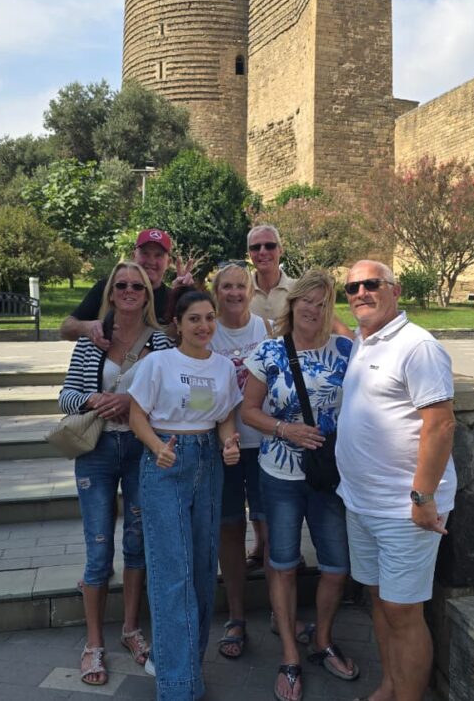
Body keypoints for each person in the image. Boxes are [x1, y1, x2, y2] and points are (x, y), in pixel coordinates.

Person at [335, 260, 456, 701]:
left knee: (404, 611)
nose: (361, 292)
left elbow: (440, 425)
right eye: (351, 287)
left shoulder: (416, 345)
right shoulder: (363, 342)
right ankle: (390, 686)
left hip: (403, 509)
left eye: (371, 284)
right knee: (380, 601)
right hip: (361, 503)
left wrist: (422, 496)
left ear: (395, 289)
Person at [242, 270, 359, 701]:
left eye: (321, 301)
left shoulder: (346, 351)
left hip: (329, 474)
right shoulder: (269, 352)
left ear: (330, 307)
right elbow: (248, 411)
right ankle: (290, 652)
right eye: (304, 300)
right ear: (291, 305)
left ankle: (322, 639)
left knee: (336, 566)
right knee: (283, 563)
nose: (312, 308)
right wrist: (284, 430)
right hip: (280, 475)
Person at [59, 261, 171, 687]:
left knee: (138, 542)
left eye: (136, 286)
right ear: (111, 293)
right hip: (99, 450)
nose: (128, 291)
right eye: (120, 285)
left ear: (147, 295)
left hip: (141, 449)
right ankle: (93, 643)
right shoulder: (94, 340)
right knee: (98, 545)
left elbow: (168, 399)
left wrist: (132, 404)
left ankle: (130, 629)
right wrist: (95, 400)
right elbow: (65, 397)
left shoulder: (160, 343)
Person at [128, 290, 242, 701]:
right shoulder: (158, 363)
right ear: (178, 323)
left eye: (210, 318)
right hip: (167, 462)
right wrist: (156, 447)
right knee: (172, 572)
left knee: (200, 568)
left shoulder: (223, 367)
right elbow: (136, 413)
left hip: (208, 463)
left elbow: (225, 414)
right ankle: (178, 687)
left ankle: (185, 665)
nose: (204, 326)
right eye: (194, 319)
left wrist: (229, 442)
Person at [209, 261, 271, 658]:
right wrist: (226, 432)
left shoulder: (264, 328)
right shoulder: (206, 328)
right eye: (226, 286)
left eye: (240, 286)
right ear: (216, 291)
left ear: (251, 291)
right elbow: (203, 392)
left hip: (263, 442)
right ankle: (236, 615)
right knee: (229, 529)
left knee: (271, 524)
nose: (234, 293)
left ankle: (279, 610)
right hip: (224, 444)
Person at [60, 228, 193, 349]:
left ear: (168, 262)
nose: (151, 261)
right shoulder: (108, 287)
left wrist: (185, 294)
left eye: (158, 255)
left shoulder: (172, 298)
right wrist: (87, 327)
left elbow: (191, 340)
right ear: (134, 256)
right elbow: (65, 329)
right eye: (145, 253)